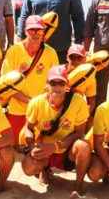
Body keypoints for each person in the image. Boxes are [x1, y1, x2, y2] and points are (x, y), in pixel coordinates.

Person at [21, 65, 91, 197]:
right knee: (28, 168)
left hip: (67, 150)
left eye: (61, 83)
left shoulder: (78, 101)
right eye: (53, 83)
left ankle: (78, 184)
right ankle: (44, 170)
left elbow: (79, 133)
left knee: (83, 146)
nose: (57, 87)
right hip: (44, 148)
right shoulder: (36, 103)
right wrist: (31, 148)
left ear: (67, 85)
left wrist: (56, 146)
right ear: (47, 84)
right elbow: (28, 128)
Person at [0, 15, 58, 134]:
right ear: (25, 31)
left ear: (44, 32)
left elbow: (55, 83)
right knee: (15, 147)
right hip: (17, 109)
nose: (36, 33)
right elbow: (6, 84)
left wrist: (39, 102)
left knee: (37, 147)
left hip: (41, 109)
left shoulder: (51, 53)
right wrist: (29, 101)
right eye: (32, 30)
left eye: (39, 30)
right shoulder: (14, 51)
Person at [65, 44, 97, 117]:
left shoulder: (88, 76)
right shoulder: (59, 72)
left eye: (79, 58)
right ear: (67, 58)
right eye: (72, 57)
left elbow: (91, 102)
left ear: (85, 59)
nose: (75, 61)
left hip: (75, 111)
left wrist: (83, 117)